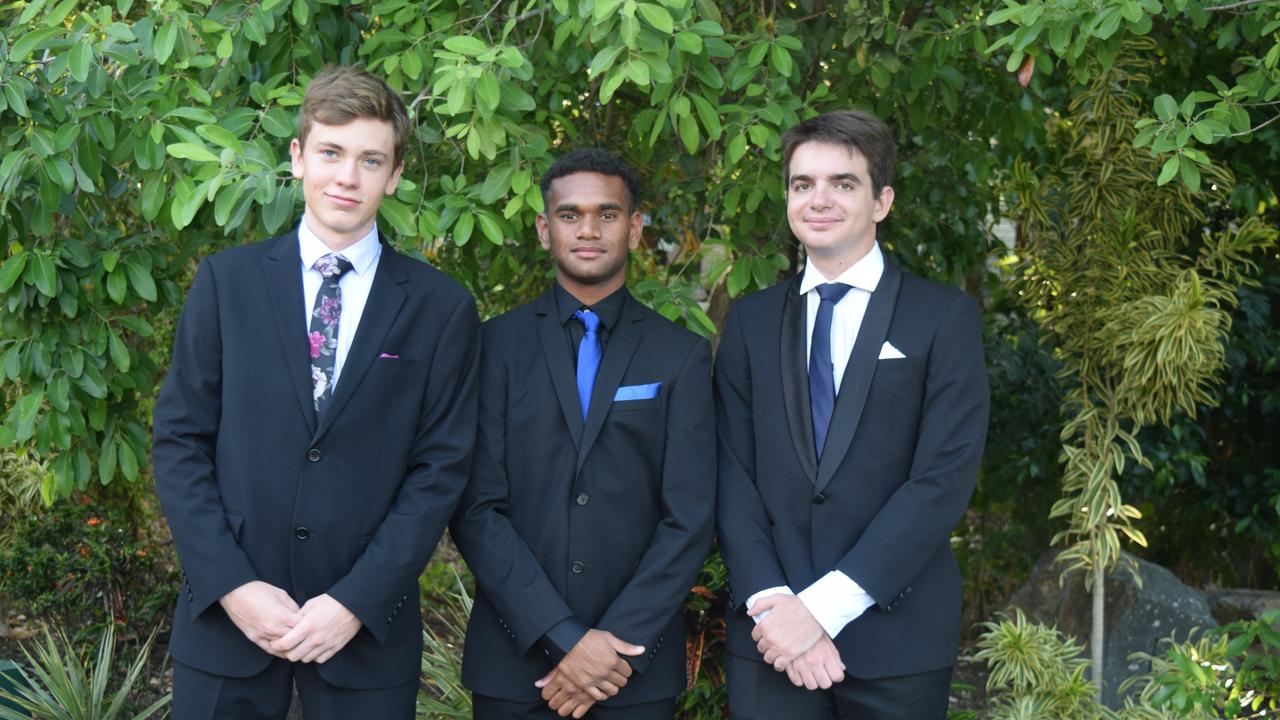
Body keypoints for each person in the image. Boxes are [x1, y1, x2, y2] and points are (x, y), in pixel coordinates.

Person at [152, 66, 480, 719]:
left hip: (364, 636)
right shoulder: (226, 284)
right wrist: (234, 586)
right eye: (330, 152)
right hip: (227, 627)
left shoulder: (441, 308)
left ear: (394, 175)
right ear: (298, 157)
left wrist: (357, 600)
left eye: (370, 160)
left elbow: (440, 470)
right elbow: (179, 441)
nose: (347, 177)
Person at [714, 110, 990, 719]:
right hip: (770, 639)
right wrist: (773, 606)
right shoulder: (750, 322)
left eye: (843, 183)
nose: (819, 199)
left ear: (882, 200)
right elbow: (731, 472)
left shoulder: (942, 318)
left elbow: (941, 479)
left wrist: (819, 611)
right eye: (802, 183)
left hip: (898, 637)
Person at [450, 148, 715, 720]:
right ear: (545, 230)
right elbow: (476, 508)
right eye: (569, 215)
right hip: (515, 659)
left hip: (632, 668)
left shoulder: (681, 355)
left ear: (636, 227)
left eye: (608, 214)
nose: (588, 229)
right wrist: (563, 635)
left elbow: (689, 516)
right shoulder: (494, 347)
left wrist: (612, 641)